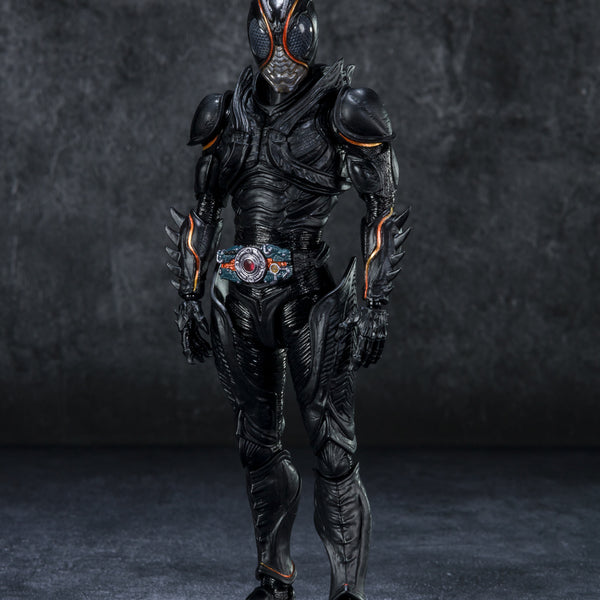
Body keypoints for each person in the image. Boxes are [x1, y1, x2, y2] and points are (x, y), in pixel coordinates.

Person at [166, 2, 410, 598]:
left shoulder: (342, 108)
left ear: (308, 34)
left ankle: (346, 589)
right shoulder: (226, 112)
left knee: (333, 449)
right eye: (267, 36)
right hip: (237, 296)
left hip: (307, 297)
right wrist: (190, 298)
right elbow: (204, 212)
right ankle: (273, 575)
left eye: (290, 35)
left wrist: (373, 302)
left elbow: (381, 209)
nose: (279, 52)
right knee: (256, 445)